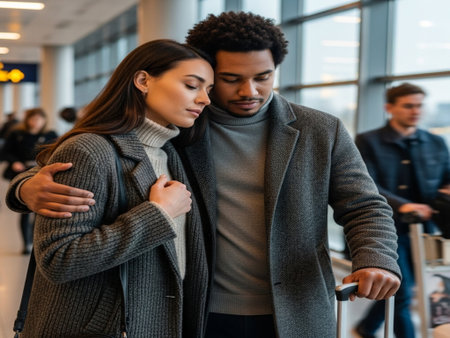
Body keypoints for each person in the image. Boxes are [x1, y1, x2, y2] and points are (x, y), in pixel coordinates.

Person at [7, 12, 401, 337]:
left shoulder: (320, 129)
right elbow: (96, 152)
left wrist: (377, 257)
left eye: (263, 76)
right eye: (230, 79)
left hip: (296, 310)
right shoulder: (181, 125)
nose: (250, 90)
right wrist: (25, 188)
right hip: (197, 311)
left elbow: (364, 204)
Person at [6, 39, 214, 337]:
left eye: (208, 90)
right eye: (192, 85)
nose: (205, 99)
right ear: (143, 80)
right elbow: (59, 259)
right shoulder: (90, 149)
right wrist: (158, 214)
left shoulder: (171, 152)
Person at [354, 83, 450, 338]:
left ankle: (365, 328)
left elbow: (446, 180)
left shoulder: (436, 142)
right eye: (408, 106)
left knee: (405, 287)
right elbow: (366, 183)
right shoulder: (368, 141)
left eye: (419, 105)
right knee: (402, 293)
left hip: (424, 230)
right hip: (386, 228)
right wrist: (402, 204)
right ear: (390, 108)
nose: (415, 111)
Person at [2, 108, 57, 254]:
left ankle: (35, 242)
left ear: (44, 120)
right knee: (25, 209)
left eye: (39, 119)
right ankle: (26, 243)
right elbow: (5, 152)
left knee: (40, 210)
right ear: (27, 120)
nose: (36, 122)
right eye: (33, 119)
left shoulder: (50, 135)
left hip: (42, 173)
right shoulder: (17, 134)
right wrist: (14, 162)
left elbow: (56, 152)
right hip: (21, 173)